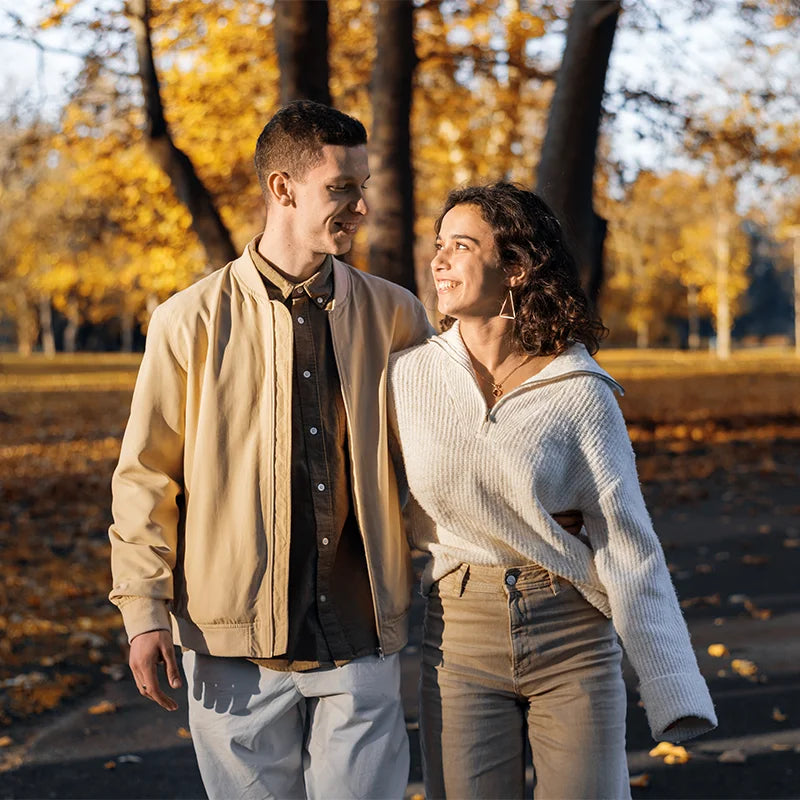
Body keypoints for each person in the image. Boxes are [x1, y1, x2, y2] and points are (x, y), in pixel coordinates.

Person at [108, 100, 432, 800]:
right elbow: (146, 478)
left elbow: (435, 462)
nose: (361, 206)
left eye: (362, 186)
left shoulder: (397, 314)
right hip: (233, 650)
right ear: (283, 190)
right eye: (341, 188)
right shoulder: (187, 321)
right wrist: (144, 611)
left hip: (363, 631)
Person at [388, 182, 717, 799]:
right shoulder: (407, 377)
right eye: (438, 245)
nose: (438, 261)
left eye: (461, 246)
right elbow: (373, 498)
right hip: (458, 634)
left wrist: (673, 686)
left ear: (514, 266)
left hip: (571, 633)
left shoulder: (579, 390)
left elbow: (626, 542)